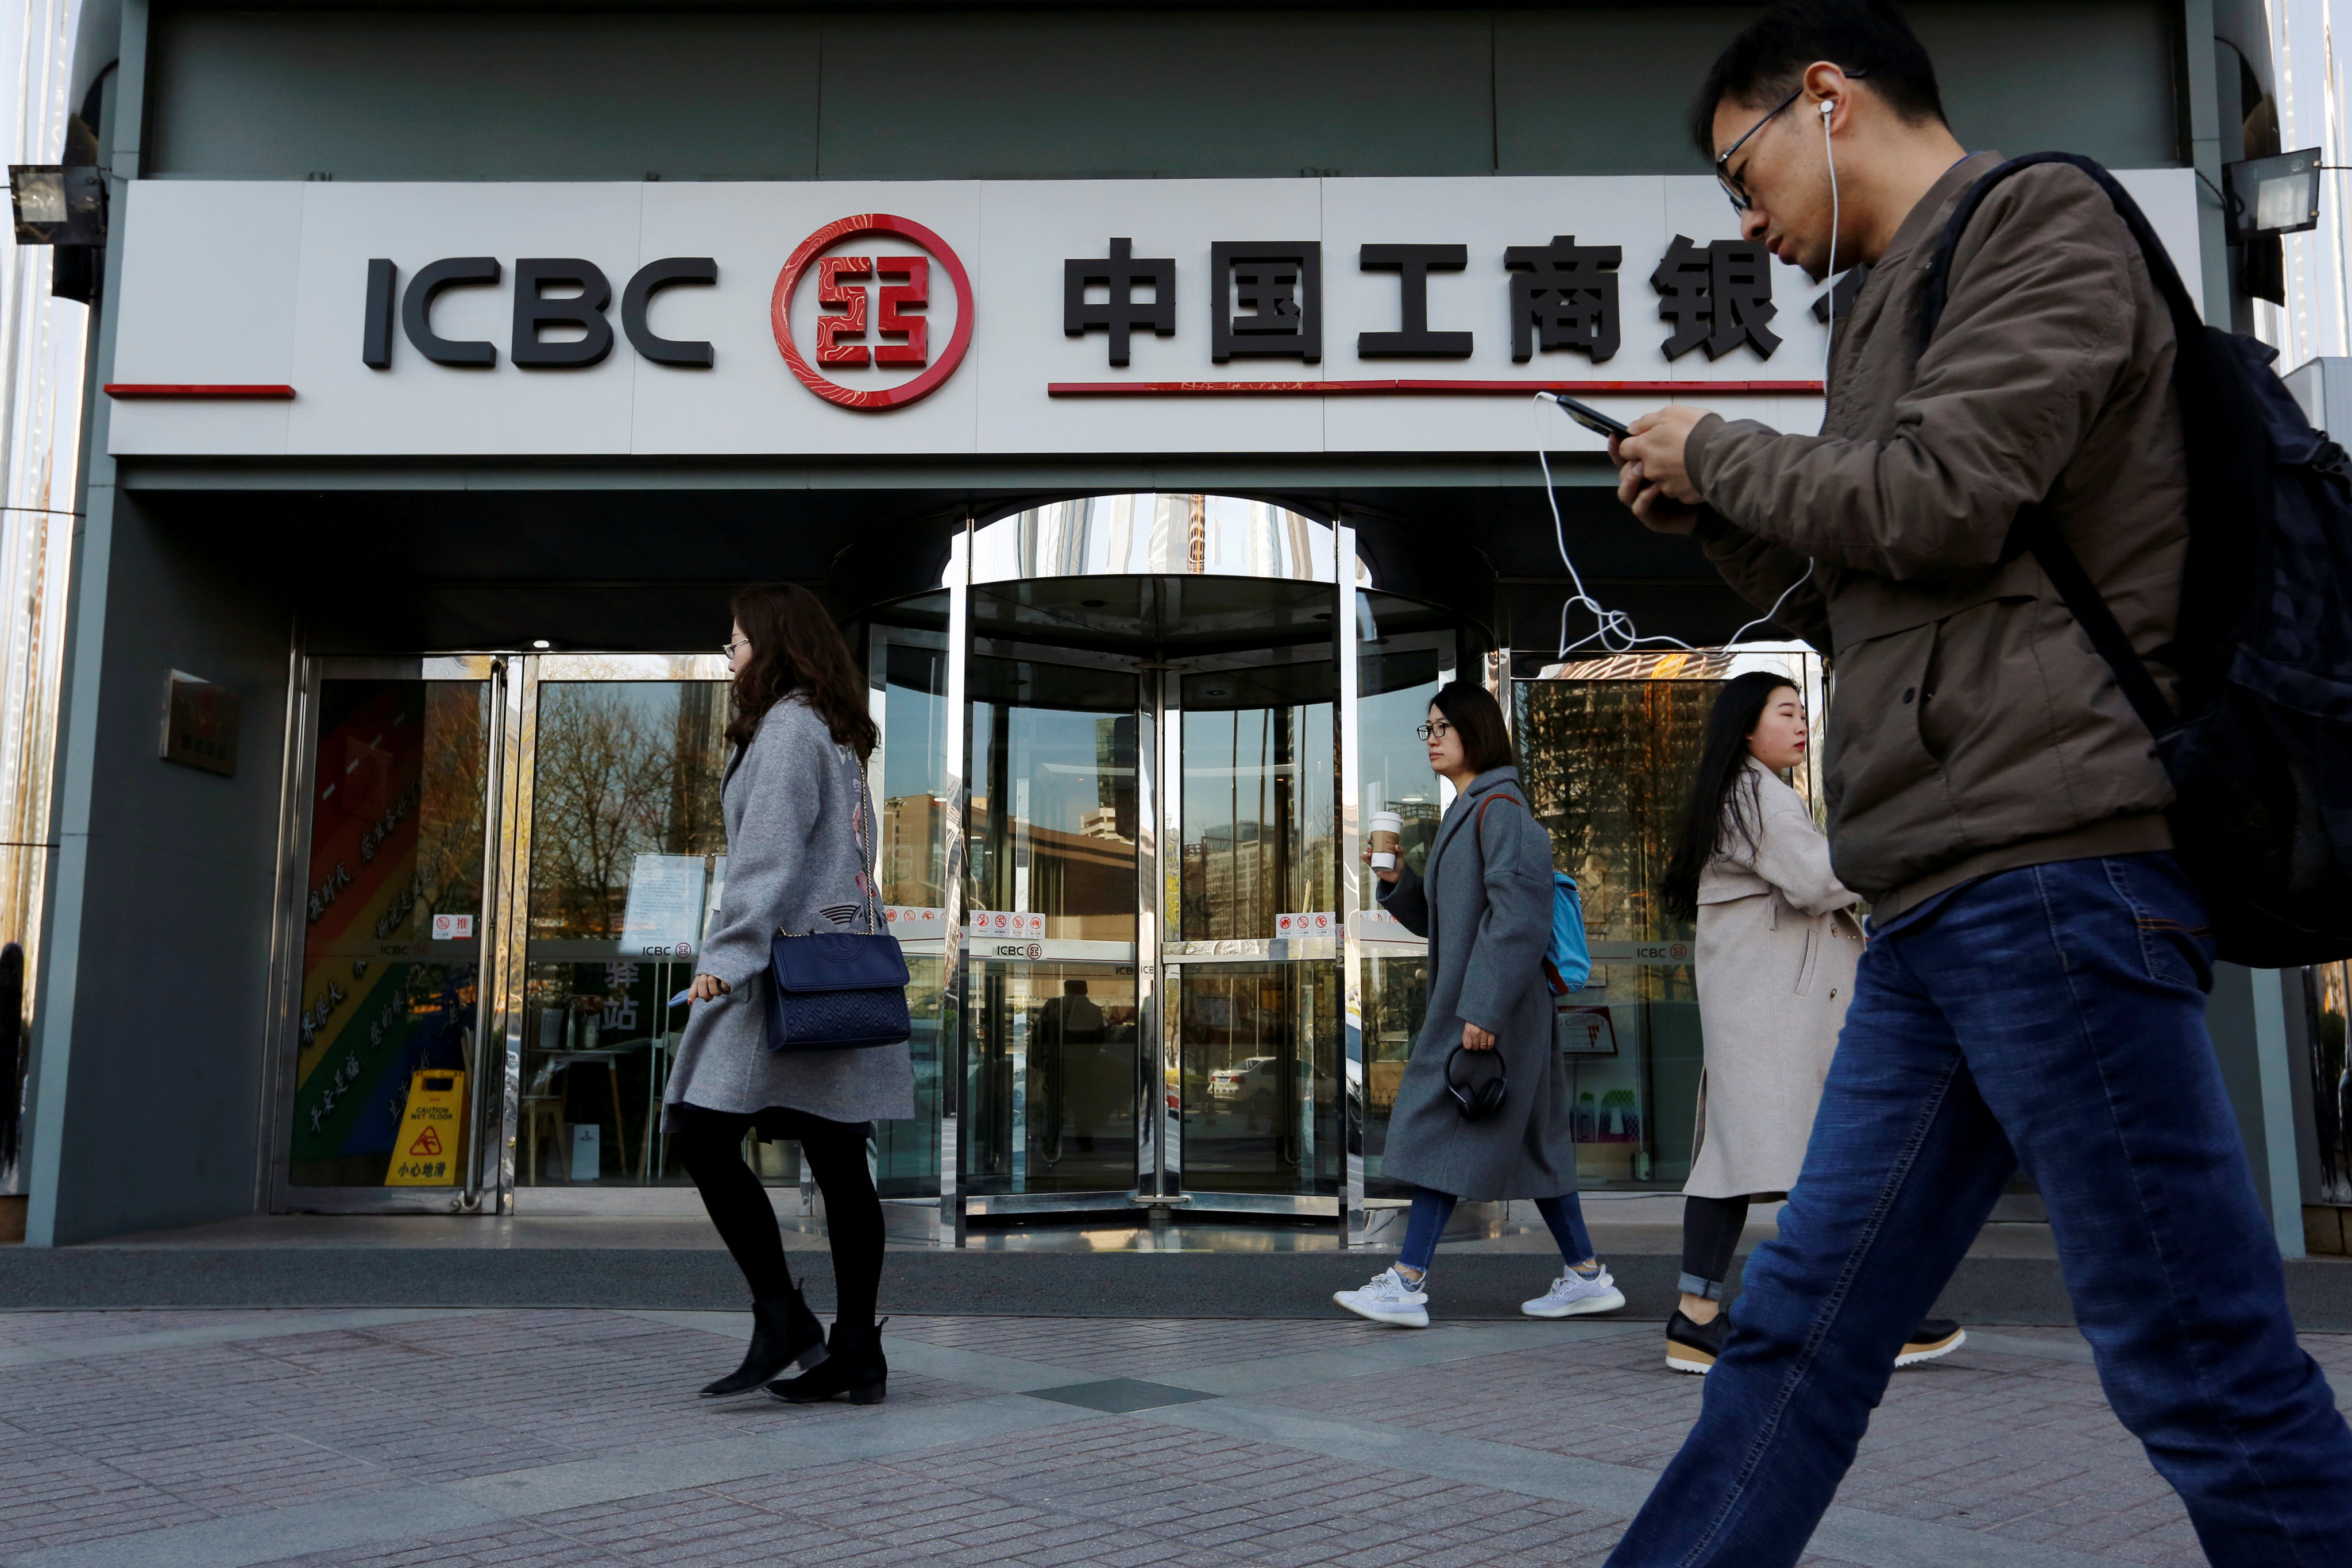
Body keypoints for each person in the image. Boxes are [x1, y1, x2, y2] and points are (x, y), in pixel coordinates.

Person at [1604, 2, 2352, 1561]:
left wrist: (1719, 450)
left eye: (1738, 174)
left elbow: (1940, 499)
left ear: (1823, 99)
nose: (1743, 221)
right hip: (1943, 895)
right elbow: (1881, 576)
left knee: (2191, 1360)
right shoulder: (1879, 306)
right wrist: (1713, 513)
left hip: (2053, 870)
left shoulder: (2040, 220)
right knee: (1792, 1335)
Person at [1658, 671, 1960, 1374]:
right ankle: (1877, 1315)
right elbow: (1819, 881)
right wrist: (1898, 849)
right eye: (1786, 713)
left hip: (1762, 1007)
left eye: (1802, 713)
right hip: (1773, 1013)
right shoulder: (1757, 794)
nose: (1800, 726)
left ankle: (1695, 1318)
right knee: (1832, 1162)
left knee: (1733, 1160)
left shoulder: (1744, 793)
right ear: (1746, 727)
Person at [669, 582, 914, 1407]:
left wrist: (725, 959)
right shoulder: (837, 736)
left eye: (735, 642)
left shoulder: (784, 731)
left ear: (770, 646)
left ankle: (785, 1321)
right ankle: (854, 1351)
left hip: (779, 971)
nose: (728, 657)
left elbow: (766, 860)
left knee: (700, 1133)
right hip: (833, 970)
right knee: (841, 1160)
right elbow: (847, 862)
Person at [1335, 681, 1625, 1327]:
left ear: (1477, 732)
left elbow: (1518, 920)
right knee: (1536, 1146)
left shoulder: (1502, 812)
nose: (1432, 739)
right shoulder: (1470, 809)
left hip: (1491, 1010)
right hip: (1487, 1004)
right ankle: (1587, 1275)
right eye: (1428, 729)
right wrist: (1399, 883)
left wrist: (1483, 1012)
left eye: (1443, 727)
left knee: (1436, 1126)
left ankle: (1406, 1283)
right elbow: (1451, 921)